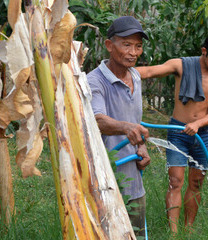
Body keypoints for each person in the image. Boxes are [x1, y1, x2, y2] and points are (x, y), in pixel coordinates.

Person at [136, 34, 208, 234]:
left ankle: (189, 230)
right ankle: (173, 233)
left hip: (202, 135)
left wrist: (198, 123)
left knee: (196, 183)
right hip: (178, 132)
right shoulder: (181, 65)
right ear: (204, 51)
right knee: (176, 181)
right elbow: (150, 71)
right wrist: (113, 73)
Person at [86, 16, 151, 237]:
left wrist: (141, 147)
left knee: (137, 233)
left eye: (138, 46)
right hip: (105, 177)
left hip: (132, 175)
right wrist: (126, 128)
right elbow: (97, 119)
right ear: (109, 45)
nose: (133, 52)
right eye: (127, 45)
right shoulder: (94, 81)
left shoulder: (135, 76)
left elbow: (135, 119)